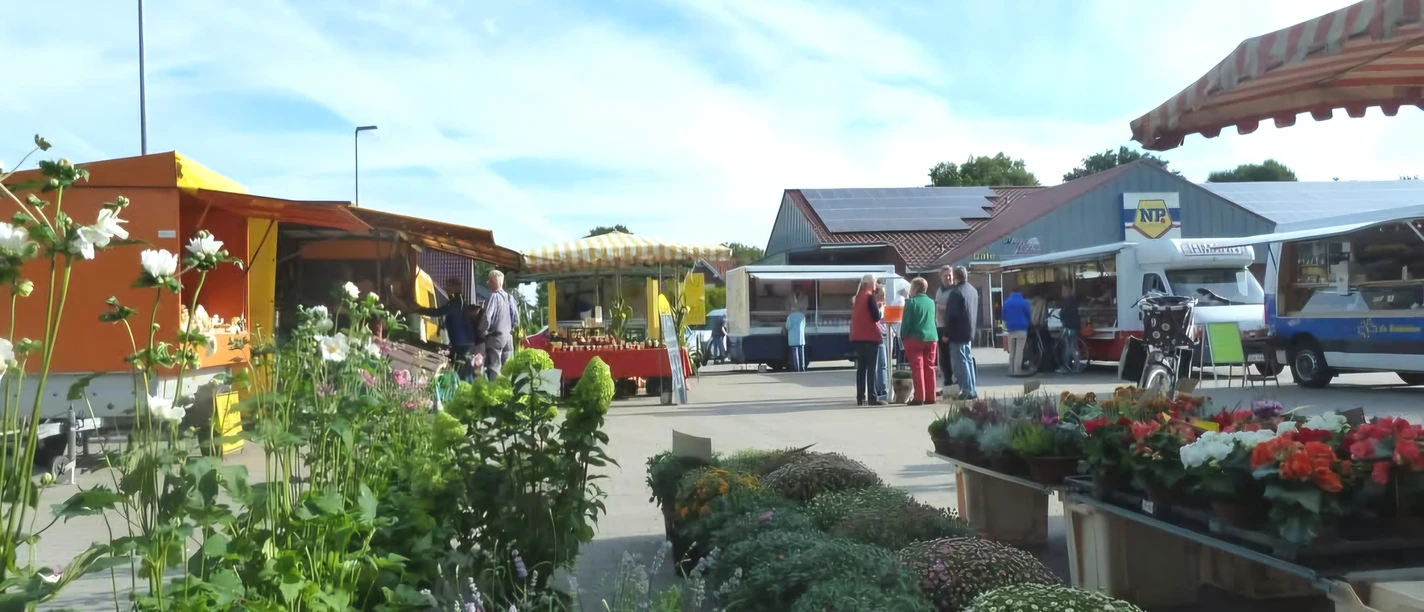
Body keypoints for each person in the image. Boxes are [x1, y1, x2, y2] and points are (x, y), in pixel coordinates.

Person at [414, 278, 478, 382]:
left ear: (456, 288)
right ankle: (468, 391)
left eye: (449, 286)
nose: (446, 288)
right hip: (462, 342)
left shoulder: (457, 302)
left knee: (463, 373)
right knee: (464, 371)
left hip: (462, 343)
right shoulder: (458, 301)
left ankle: (467, 392)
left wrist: (419, 309)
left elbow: (438, 312)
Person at [900, 278, 938, 405]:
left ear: (915, 288)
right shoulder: (932, 302)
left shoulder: (911, 302)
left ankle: (919, 396)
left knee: (917, 367)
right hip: (931, 337)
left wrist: (903, 335)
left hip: (915, 337)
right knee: (930, 367)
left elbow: (906, 322)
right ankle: (931, 396)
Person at [849, 274, 884, 406]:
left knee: (861, 368)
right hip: (870, 336)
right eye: (875, 282)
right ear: (870, 283)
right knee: (871, 368)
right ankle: (872, 397)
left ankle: (860, 397)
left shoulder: (857, 297)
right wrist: (880, 308)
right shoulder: (870, 297)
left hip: (857, 337)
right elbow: (876, 317)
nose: (877, 284)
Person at [945, 266, 979, 400]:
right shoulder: (973, 291)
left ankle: (966, 390)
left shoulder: (956, 292)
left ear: (955, 277)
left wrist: (947, 333)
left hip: (957, 332)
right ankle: (972, 388)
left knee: (961, 362)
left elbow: (952, 315)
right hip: (969, 331)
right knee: (968, 360)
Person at [483, 269, 520, 380]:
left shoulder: (493, 297)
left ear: (493, 282)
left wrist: (483, 333)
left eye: (490, 282)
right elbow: (516, 320)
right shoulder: (510, 298)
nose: (489, 284)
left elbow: (487, 318)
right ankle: (506, 393)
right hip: (508, 339)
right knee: (507, 371)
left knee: (494, 368)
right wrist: (510, 329)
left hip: (495, 338)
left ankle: (493, 393)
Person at [933, 265, 957, 394]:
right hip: (940, 326)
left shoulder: (955, 290)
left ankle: (954, 384)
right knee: (943, 358)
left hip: (950, 327)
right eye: (945, 275)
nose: (948, 278)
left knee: (953, 357)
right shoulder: (939, 290)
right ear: (940, 277)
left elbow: (955, 310)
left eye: (949, 275)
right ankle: (947, 384)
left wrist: (944, 308)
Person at [1002, 290, 1033, 376]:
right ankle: (1017, 370)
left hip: (1010, 329)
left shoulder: (1006, 302)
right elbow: (1029, 315)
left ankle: (1011, 370)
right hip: (1022, 329)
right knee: (1019, 350)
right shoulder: (1024, 302)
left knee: (1012, 351)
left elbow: (1003, 316)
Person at [1057, 284, 1081, 375]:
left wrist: (1061, 319)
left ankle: (1065, 366)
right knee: (1074, 346)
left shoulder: (1066, 302)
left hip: (1068, 326)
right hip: (1075, 326)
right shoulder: (1074, 301)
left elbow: (1062, 313)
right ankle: (1077, 365)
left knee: (1067, 347)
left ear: (1067, 291)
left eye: (1063, 291)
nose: (1062, 293)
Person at [785, 304, 807, 372]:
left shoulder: (790, 317)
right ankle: (802, 367)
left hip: (793, 338)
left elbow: (788, 326)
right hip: (801, 338)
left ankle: (797, 368)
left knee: (795, 354)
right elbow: (804, 326)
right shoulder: (802, 316)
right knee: (802, 354)